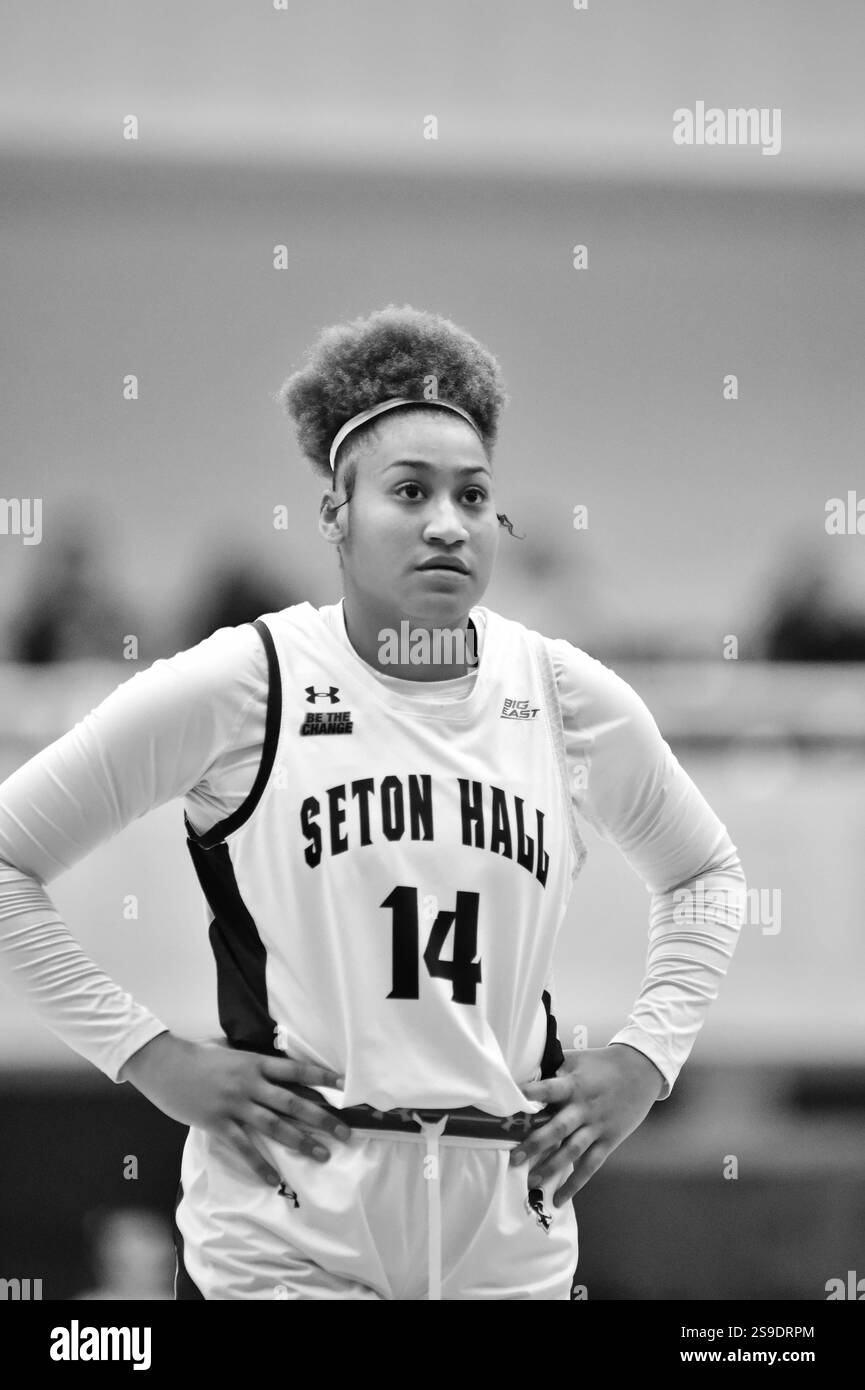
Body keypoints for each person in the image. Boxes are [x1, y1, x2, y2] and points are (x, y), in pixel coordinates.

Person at [0, 305, 746, 1301]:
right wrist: (149, 1056)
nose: (447, 521)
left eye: (473, 495)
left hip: (504, 1211)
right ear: (335, 515)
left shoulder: (566, 694)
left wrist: (649, 1059)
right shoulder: (244, 681)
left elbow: (705, 874)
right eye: (410, 490)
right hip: (288, 1216)